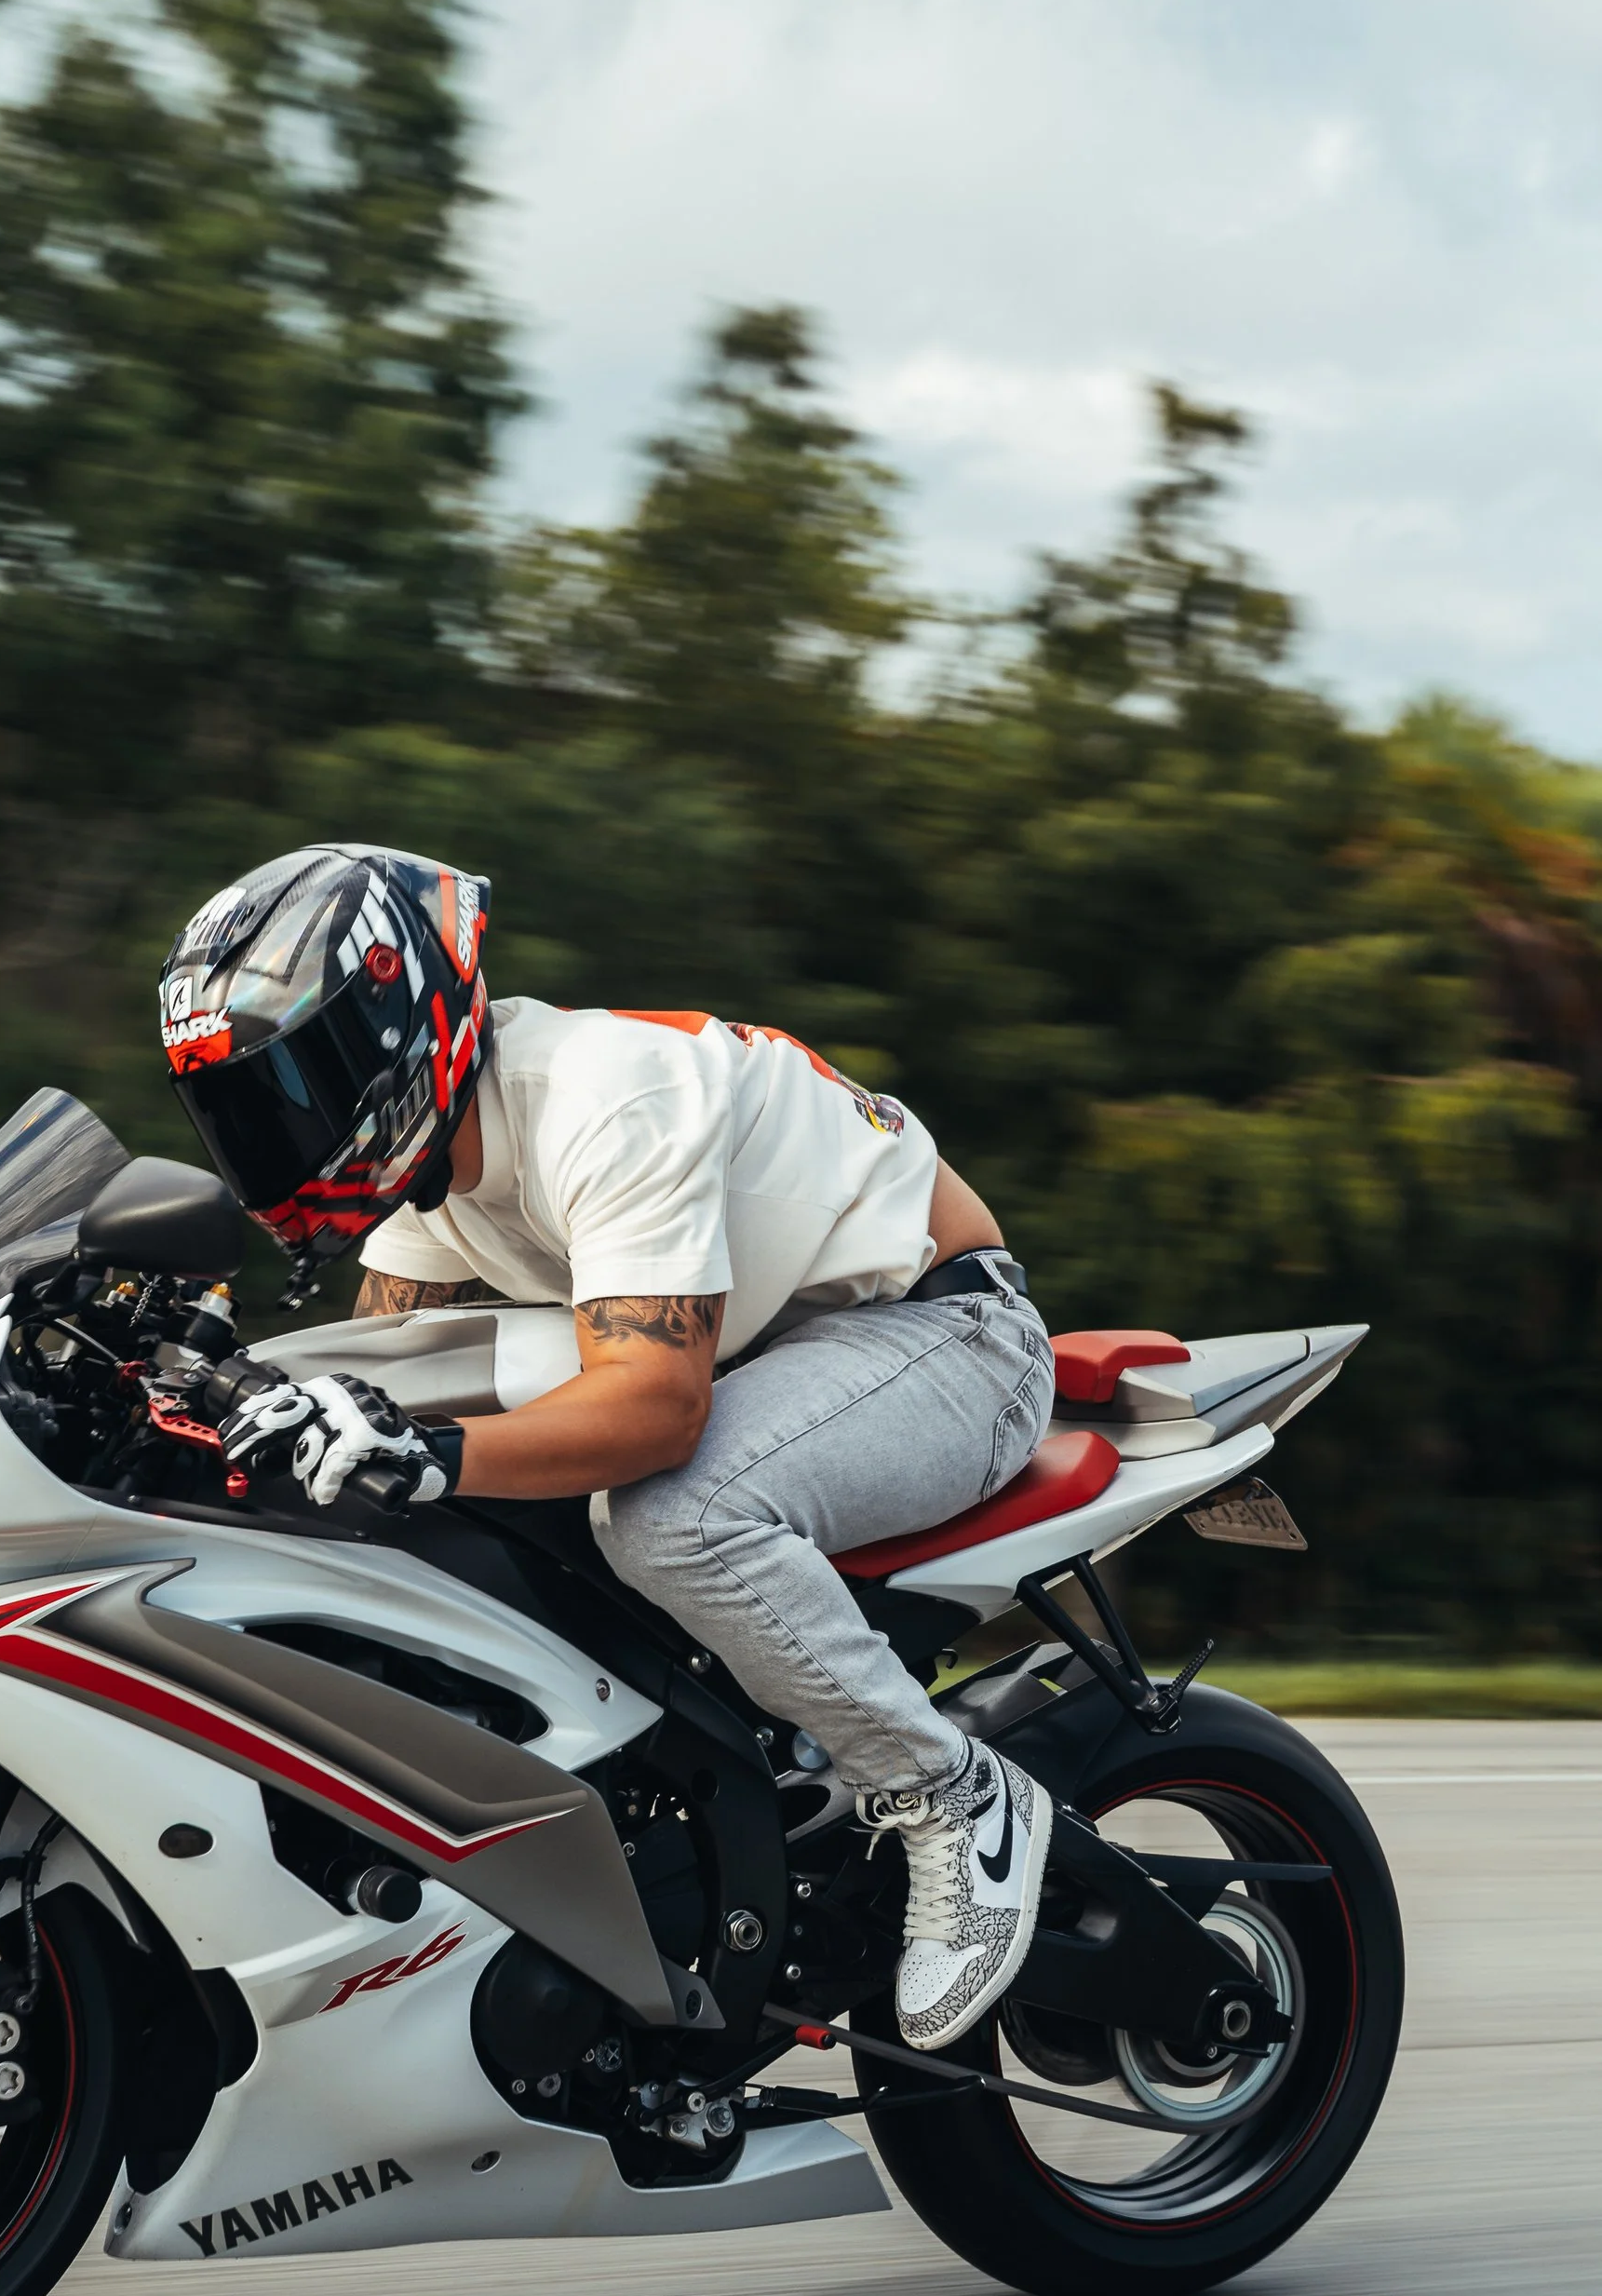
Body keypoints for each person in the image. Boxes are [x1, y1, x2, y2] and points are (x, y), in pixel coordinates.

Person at [158, 842, 1055, 2056]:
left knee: (671, 1517)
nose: (278, 1133)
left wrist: (425, 1451)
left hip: (940, 1330)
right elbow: (380, 1366)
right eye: (248, 1109)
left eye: (297, 1086)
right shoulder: (430, 1174)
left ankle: (956, 1793)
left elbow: (654, 1410)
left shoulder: (601, 1093)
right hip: (775, 1358)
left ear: (398, 1030)